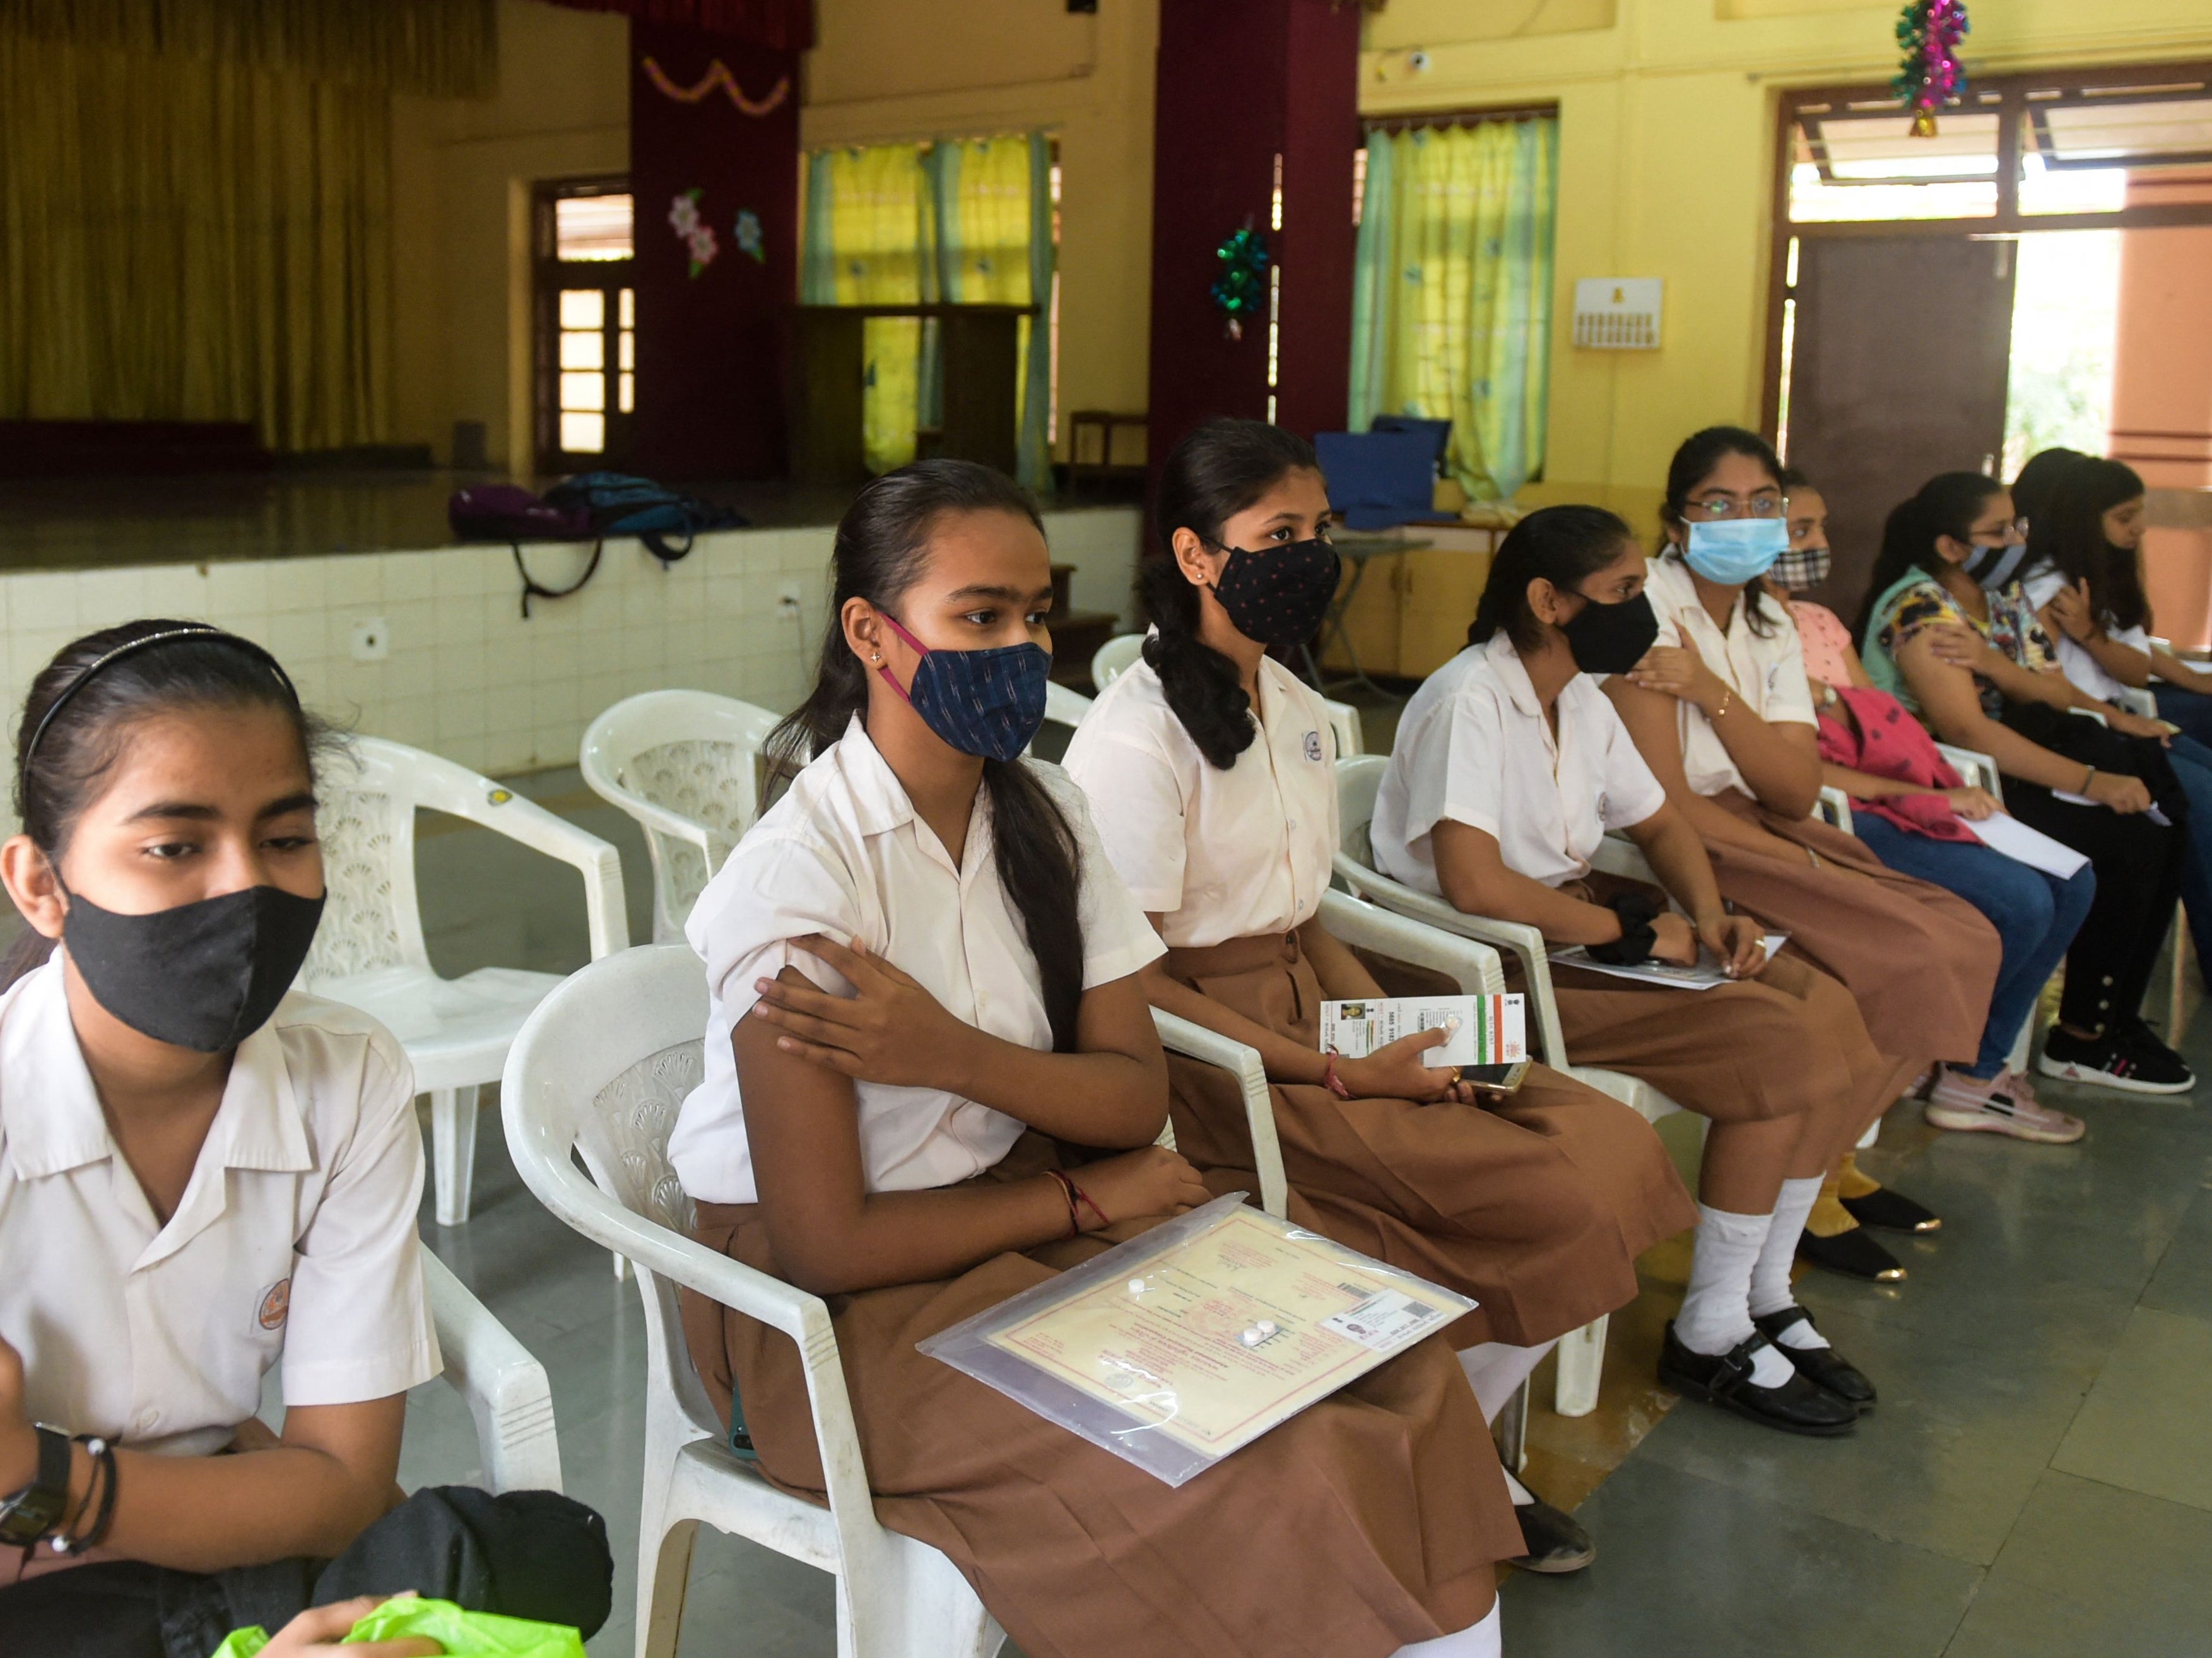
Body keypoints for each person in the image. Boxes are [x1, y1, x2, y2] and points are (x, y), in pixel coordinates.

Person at [673, 461, 1519, 1658]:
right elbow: (828, 1241)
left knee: (1397, 1379)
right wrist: (1079, 1194)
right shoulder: (802, 883)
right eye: (979, 617)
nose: (1021, 646)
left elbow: (1131, 1096)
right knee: (1259, 1473)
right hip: (836, 1314)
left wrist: (951, 1058)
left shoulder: (1047, 813)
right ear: (871, 632)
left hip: (1018, 1213)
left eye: (1034, 612)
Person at [1064, 420, 1699, 1551]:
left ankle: (1458, 1450)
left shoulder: (1300, 711)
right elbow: (1135, 981)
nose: (1310, 553)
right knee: (1543, 1198)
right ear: (1198, 555)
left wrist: (1411, 1029)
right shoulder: (1136, 737)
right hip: (1214, 1057)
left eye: (1317, 529)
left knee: (1602, 1141)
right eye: (1277, 534)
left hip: (1316, 1013)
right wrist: (1338, 1067)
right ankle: (1447, 1469)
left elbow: (1306, 913)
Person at [0, 621, 611, 1658]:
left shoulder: (347, 1074)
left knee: (551, 1554)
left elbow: (341, 1481)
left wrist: (49, 1481)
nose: (245, 887)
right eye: (174, 845)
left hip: (195, 1541)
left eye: (285, 837)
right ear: (42, 885)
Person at [1367, 504, 1886, 1437]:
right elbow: (1474, 882)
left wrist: (1708, 914)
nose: (1641, 612)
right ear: (1546, 600)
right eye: (1621, 592)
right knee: (1778, 1041)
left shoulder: (1581, 699)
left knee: (1825, 1002)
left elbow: (1656, 824)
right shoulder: (1468, 700)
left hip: (1569, 929)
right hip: (1485, 971)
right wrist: (1632, 936)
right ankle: (1710, 1327)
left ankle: (1762, 1292)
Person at [1603, 427, 2003, 1280]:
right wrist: (1802, 868)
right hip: (1676, 837)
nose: (1742, 522)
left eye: (1761, 505)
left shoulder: (1768, 618)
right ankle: (1793, 1220)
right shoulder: (1646, 612)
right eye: (1718, 505)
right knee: (1899, 961)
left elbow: (1790, 787)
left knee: (1964, 939)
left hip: (1758, 816)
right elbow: (1666, 803)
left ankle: (1816, 1182)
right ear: (1677, 525)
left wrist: (1710, 693)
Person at [1772, 469, 2090, 1145]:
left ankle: (1964, 1073)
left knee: (2072, 877)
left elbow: (1882, 727)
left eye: (1817, 527)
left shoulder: (1815, 623)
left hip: (1889, 793)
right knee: (2018, 902)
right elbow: (1786, 772)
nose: (1820, 543)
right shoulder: (1737, 642)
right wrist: (1918, 792)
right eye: (1801, 530)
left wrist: (1928, 785)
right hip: (1836, 813)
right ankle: (1930, 1055)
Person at [1858, 473, 2193, 1093]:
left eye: (2017, 527)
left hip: (2014, 763)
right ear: (1949, 548)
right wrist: (2091, 781)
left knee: (2160, 826)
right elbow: (1967, 732)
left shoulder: (2002, 598)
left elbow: (2049, 687)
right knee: (2117, 842)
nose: (2014, 541)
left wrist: (2000, 669)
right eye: (1997, 532)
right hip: (1948, 783)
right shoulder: (1921, 609)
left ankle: (2110, 1019)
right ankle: (2078, 1036)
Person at [2022, 456, 2212, 979]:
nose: (2140, 528)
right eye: (2125, 517)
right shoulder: (2047, 585)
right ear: (2088, 519)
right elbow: (2048, 687)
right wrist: (2116, 717)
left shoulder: (2102, 575)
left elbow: (2133, 669)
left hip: (2117, 716)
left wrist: (2088, 632)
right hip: (2083, 731)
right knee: (2197, 808)